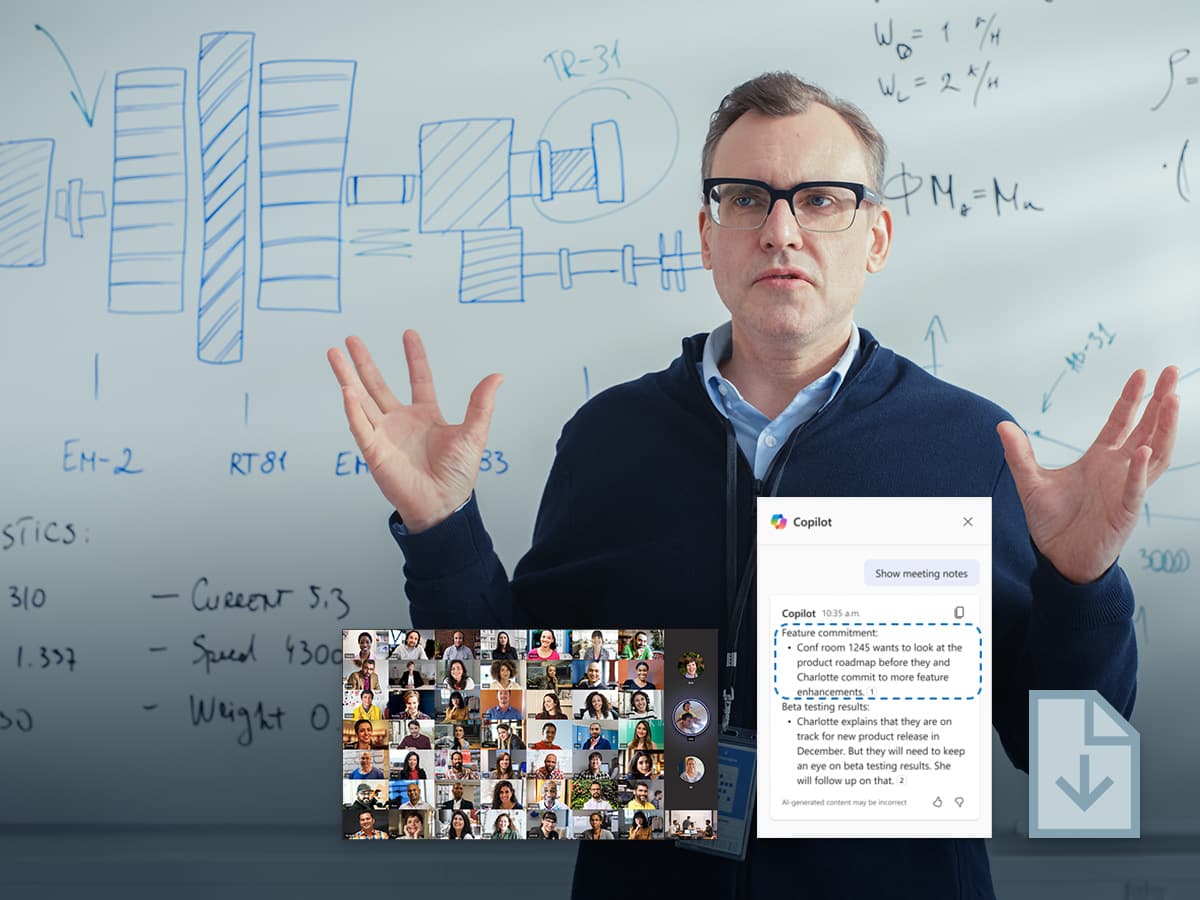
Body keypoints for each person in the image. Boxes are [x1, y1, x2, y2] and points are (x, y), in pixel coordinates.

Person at [329, 70, 1177, 899]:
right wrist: (441, 526)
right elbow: (485, 742)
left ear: (875, 238)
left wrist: (1083, 582)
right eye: (745, 198)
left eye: (820, 199)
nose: (780, 230)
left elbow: (1072, 768)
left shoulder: (976, 447)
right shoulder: (607, 438)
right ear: (707, 236)